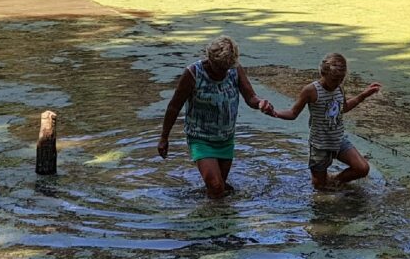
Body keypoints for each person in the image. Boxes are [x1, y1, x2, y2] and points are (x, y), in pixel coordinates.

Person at [157, 35, 275, 199]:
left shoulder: (234, 69)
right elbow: (174, 106)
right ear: (210, 59)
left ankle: (217, 216)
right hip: (200, 138)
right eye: (219, 68)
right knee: (216, 186)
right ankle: (209, 221)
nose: (223, 72)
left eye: (226, 68)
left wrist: (261, 103)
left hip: (226, 138)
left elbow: (250, 97)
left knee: (220, 190)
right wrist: (164, 137)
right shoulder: (193, 73)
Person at [272, 53, 381, 190]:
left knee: (362, 168)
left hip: (338, 140)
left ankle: (335, 179)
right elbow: (293, 113)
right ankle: (325, 184)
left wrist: (363, 95)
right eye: (334, 79)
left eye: (341, 79)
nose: (338, 83)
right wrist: (274, 112)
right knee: (320, 187)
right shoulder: (311, 90)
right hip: (320, 145)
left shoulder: (339, 88)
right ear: (323, 73)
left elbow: (343, 108)